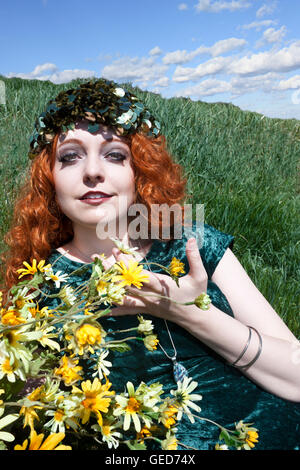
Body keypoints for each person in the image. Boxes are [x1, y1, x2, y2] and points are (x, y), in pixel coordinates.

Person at [0, 78, 299, 451]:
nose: (93, 171)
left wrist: (190, 315)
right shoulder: (39, 289)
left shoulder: (193, 245)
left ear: (139, 170)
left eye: (114, 154)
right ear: (49, 179)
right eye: (71, 156)